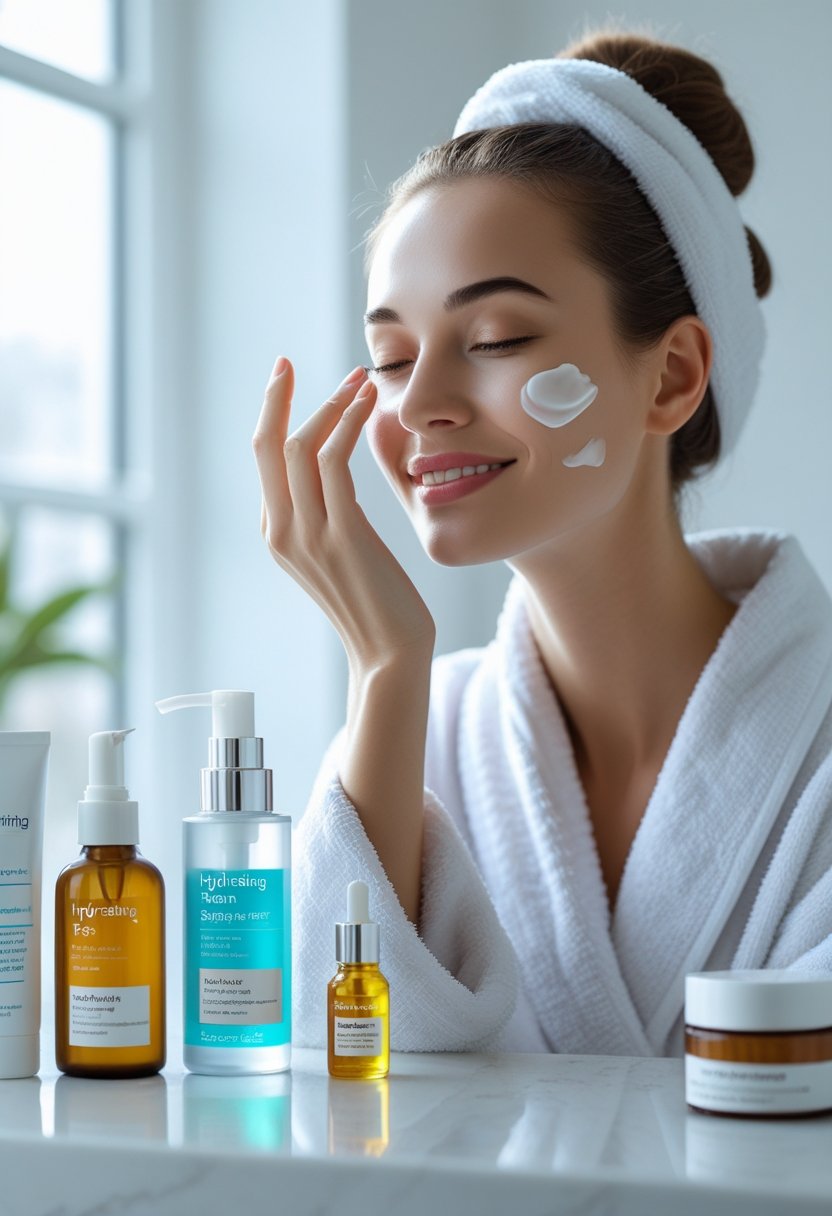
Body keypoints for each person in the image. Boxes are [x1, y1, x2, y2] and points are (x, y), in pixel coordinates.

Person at [252, 30, 832, 1057]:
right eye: (388, 356)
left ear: (669, 377)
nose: (417, 404)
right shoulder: (422, 736)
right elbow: (340, 1094)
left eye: (495, 341)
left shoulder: (813, 743)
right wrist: (386, 668)